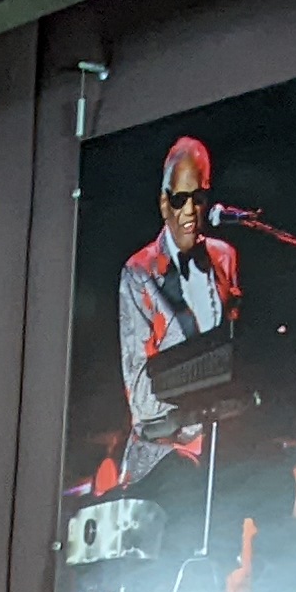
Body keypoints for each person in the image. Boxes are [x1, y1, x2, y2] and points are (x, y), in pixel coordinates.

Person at [116, 137, 240, 489]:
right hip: (162, 462)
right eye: (178, 199)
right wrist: (202, 408)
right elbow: (141, 397)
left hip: (220, 454)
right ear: (163, 203)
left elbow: (233, 353)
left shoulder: (225, 257)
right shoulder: (139, 272)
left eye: (197, 198)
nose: (189, 211)